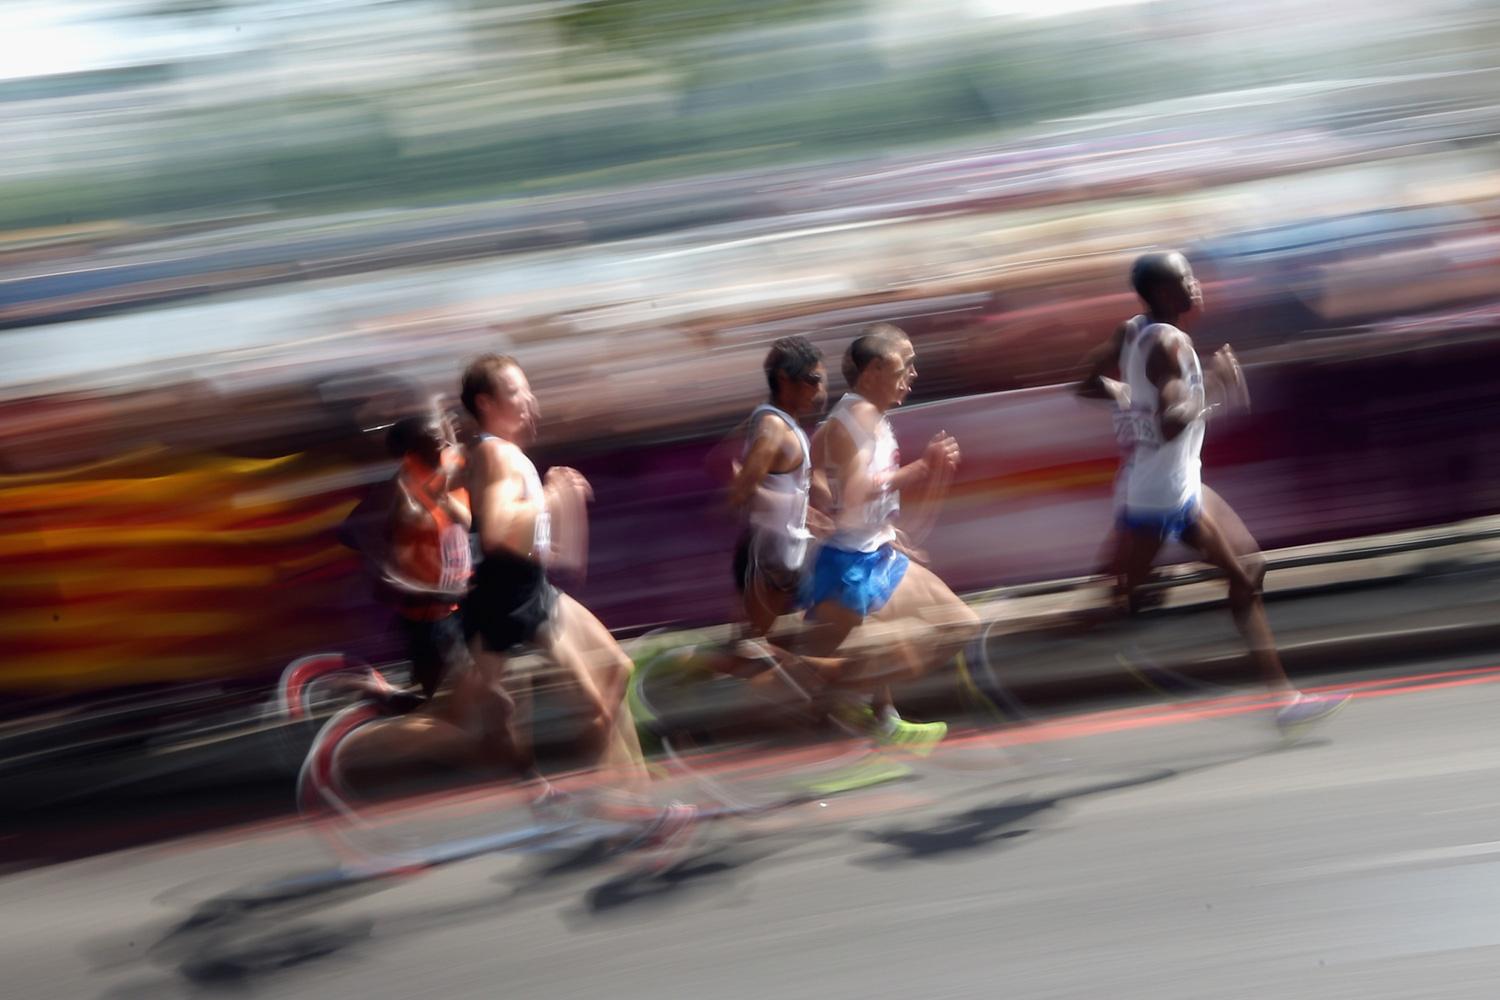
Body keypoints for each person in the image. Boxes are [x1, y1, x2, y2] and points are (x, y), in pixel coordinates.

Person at [1076, 251, 1348, 733]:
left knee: (1248, 570)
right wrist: (1216, 387)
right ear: (1164, 293)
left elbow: (1085, 382)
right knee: (1137, 599)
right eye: (1187, 279)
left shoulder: (1132, 328)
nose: (1197, 285)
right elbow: (1171, 421)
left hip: (1168, 482)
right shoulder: (1171, 344)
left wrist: (1126, 396)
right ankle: (1283, 700)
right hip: (1165, 496)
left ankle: (1281, 697)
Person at [801, 326, 977, 746]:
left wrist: (854, 515)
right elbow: (860, 487)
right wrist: (923, 467)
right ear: (876, 368)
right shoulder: (860, 414)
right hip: (851, 563)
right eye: (906, 363)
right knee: (953, 626)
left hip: (868, 550)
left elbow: (818, 465)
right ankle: (836, 698)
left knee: (883, 643)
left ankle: (875, 716)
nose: (912, 373)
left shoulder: (859, 414)